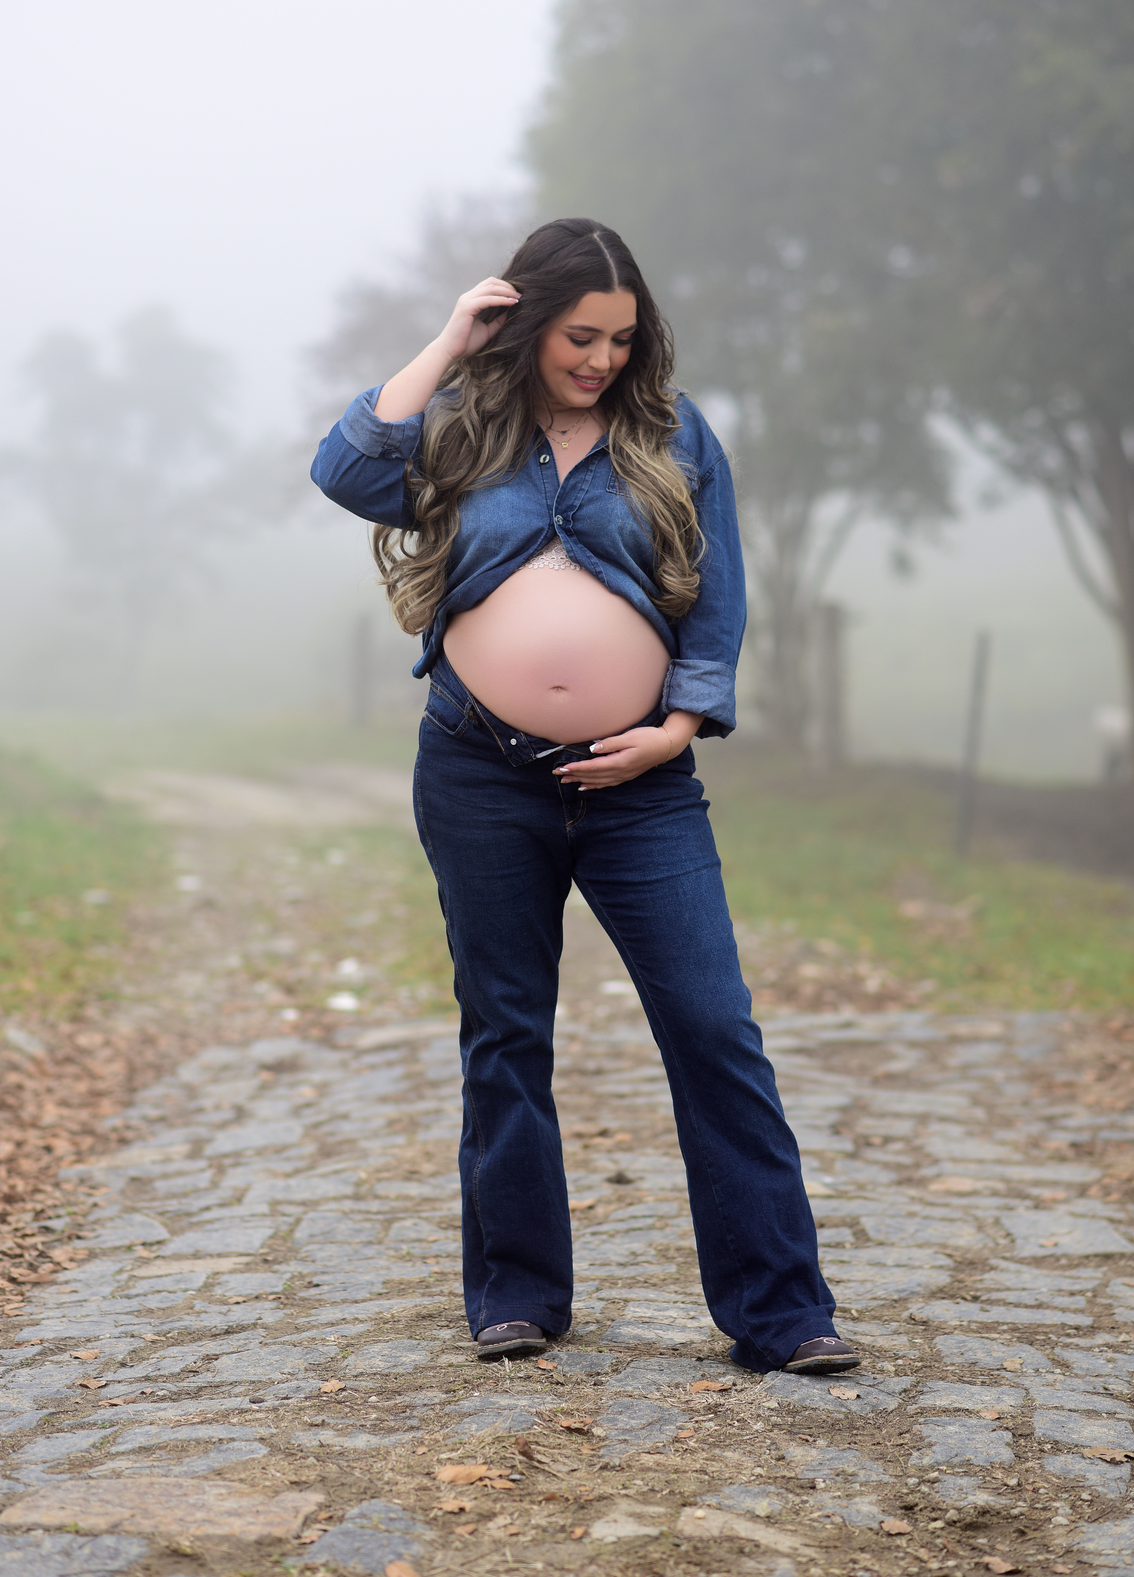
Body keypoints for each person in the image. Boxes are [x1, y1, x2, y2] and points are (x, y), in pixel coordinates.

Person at [312, 217, 856, 1376]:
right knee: (505, 1031)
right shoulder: (461, 428)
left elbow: (717, 591)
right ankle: (516, 1293)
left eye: (620, 337)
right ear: (526, 326)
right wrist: (456, 336)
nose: (602, 358)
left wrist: (675, 728)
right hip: (478, 773)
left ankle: (782, 1309)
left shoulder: (670, 432)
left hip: (642, 789)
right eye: (579, 335)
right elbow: (346, 467)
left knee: (714, 1027)